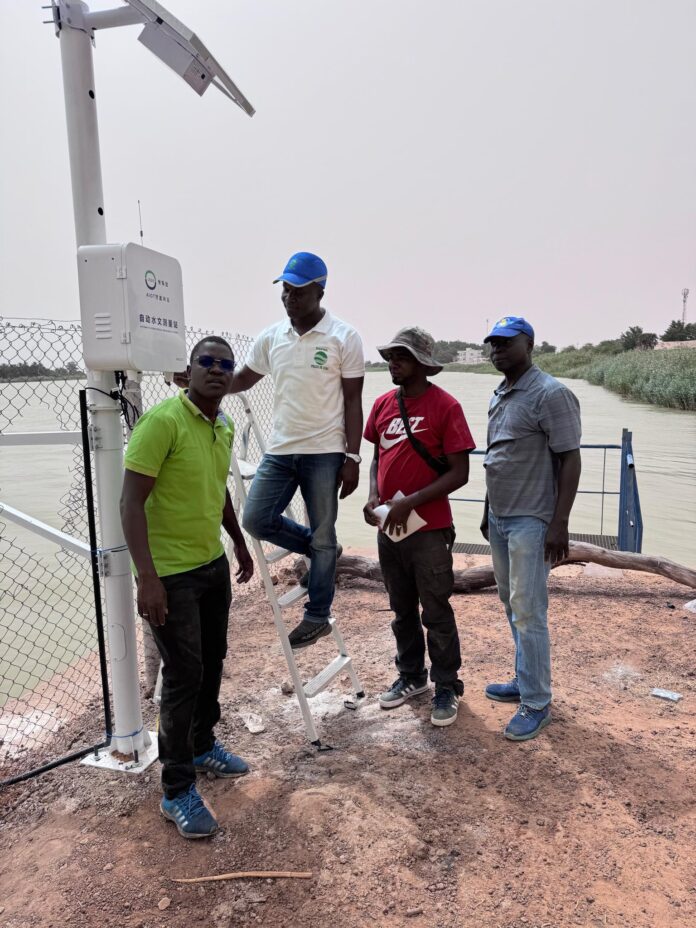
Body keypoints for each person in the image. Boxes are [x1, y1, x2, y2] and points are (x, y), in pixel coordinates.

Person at [120, 336, 254, 839]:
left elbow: (216, 488)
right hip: (170, 575)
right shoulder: (162, 423)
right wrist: (147, 578)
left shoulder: (223, 423)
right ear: (189, 371)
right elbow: (130, 504)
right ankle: (176, 790)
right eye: (207, 362)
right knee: (182, 676)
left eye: (226, 364)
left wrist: (237, 543)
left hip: (210, 565)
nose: (217, 370)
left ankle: (201, 746)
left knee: (213, 659)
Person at [226, 252, 365, 649]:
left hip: (325, 452)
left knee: (323, 532)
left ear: (320, 291)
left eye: (298, 291)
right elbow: (243, 380)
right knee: (256, 519)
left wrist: (352, 458)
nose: (289, 297)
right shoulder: (272, 338)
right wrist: (203, 382)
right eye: (285, 289)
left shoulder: (343, 337)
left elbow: (353, 402)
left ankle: (317, 614)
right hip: (282, 450)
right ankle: (324, 553)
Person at [363, 327, 476, 727]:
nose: (393, 363)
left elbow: (460, 473)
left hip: (429, 528)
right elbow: (378, 455)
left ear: (423, 365)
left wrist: (410, 502)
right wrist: (374, 496)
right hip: (390, 528)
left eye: (402, 357)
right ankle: (412, 677)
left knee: (436, 609)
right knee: (400, 608)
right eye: (391, 356)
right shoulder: (380, 405)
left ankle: (447, 684)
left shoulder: (446, 406)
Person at [481, 316, 581, 741]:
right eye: (492, 343)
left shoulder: (551, 393)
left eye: (506, 342)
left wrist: (559, 523)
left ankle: (537, 701)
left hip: (532, 518)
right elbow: (495, 455)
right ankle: (525, 679)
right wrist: (487, 511)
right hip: (502, 518)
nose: (497, 349)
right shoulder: (501, 393)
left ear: (529, 344)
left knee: (529, 609)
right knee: (511, 602)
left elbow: (571, 459)